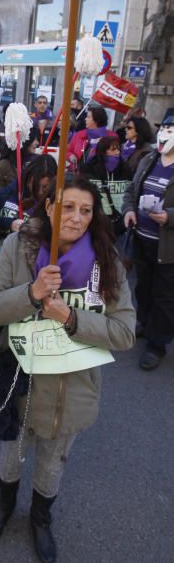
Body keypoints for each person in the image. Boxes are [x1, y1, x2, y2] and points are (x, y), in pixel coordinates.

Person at [0, 175, 135, 563]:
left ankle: (40, 518)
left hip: (74, 388)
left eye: (86, 211)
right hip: (19, 382)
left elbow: (124, 332)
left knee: (53, 462)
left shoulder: (107, 259)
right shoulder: (19, 247)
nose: (76, 218)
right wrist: (31, 293)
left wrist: (71, 317)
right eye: (67, 207)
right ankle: (3, 503)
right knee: (11, 453)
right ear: (49, 208)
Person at [122, 112, 174, 370]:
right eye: (164, 127)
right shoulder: (150, 159)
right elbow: (132, 190)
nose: (166, 133)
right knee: (143, 287)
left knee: (163, 294)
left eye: (171, 129)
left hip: (167, 246)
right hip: (142, 238)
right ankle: (145, 322)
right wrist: (129, 210)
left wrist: (170, 217)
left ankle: (157, 344)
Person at [0, 155, 57, 239]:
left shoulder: (54, 204)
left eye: (45, 188)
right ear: (29, 178)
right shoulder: (8, 193)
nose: (39, 192)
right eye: (36, 186)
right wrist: (9, 224)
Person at [0, 127, 39, 197]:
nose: (37, 143)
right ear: (25, 140)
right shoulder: (3, 166)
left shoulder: (38, 162)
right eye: (34, 139)